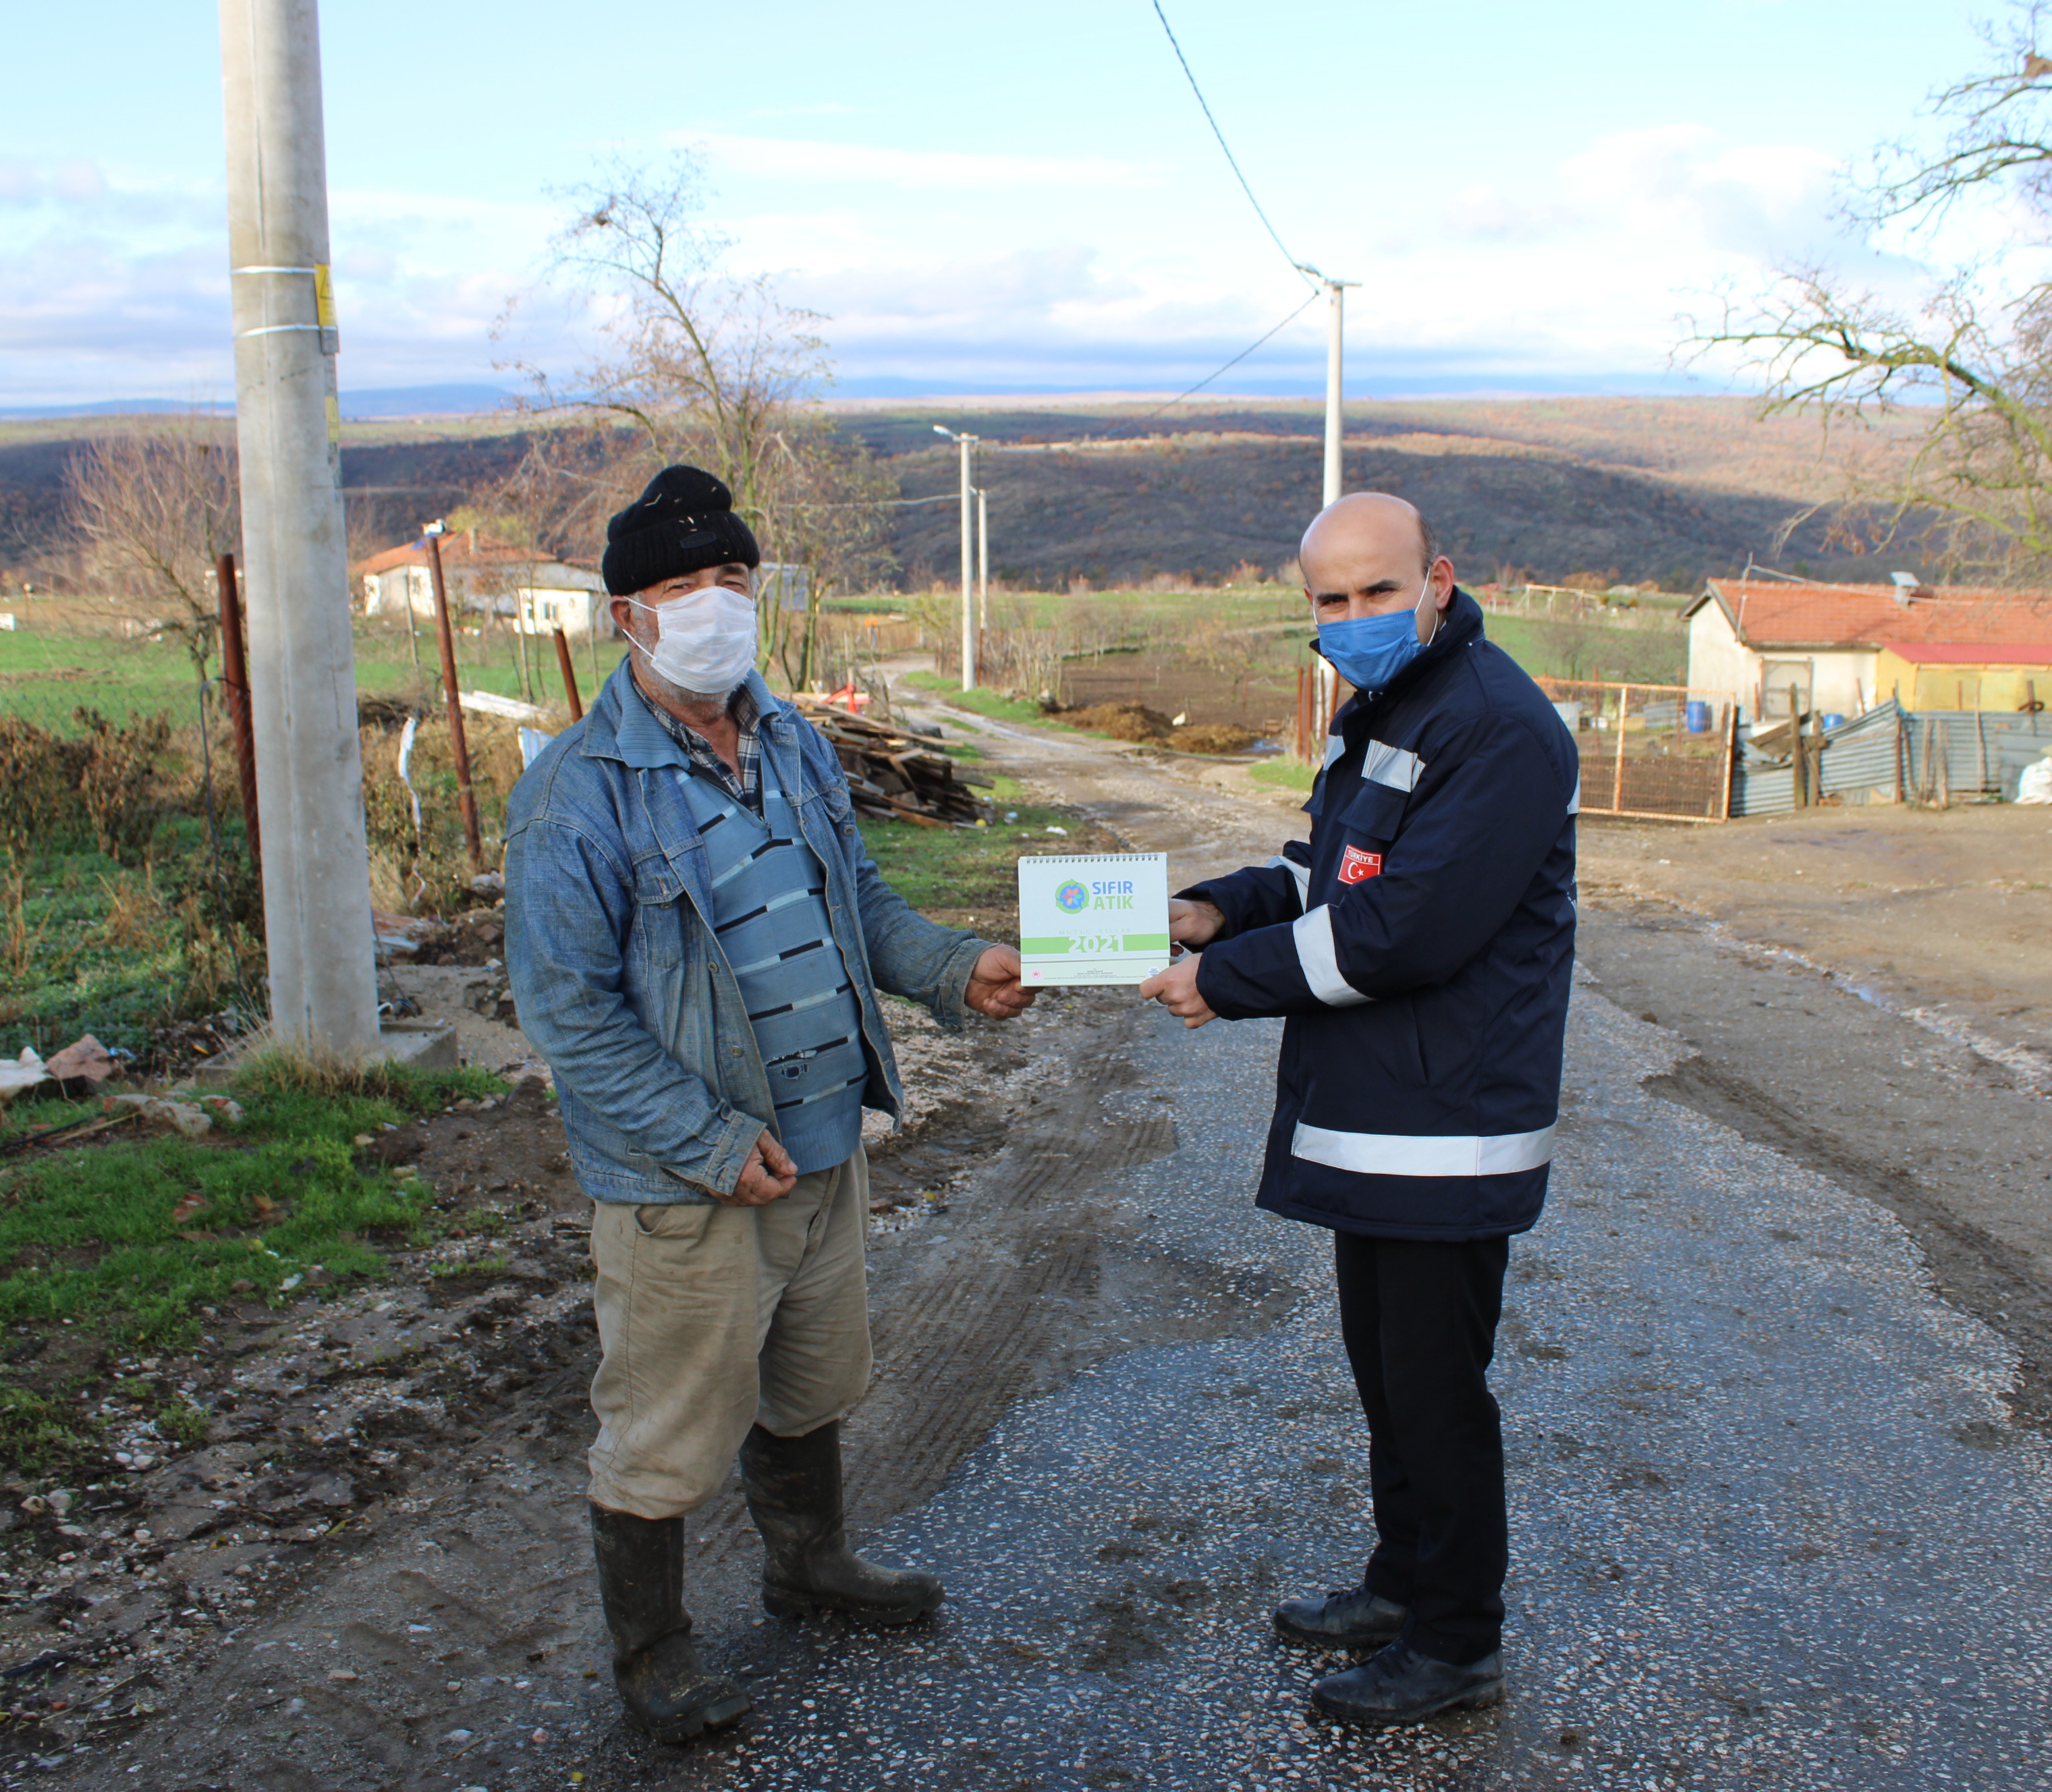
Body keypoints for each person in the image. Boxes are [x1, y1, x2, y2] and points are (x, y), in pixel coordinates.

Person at [504, 466, 1035, 1744]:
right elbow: (567, 1014)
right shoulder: (578, 793)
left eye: (730, 580)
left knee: (811, 1381)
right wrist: (700, 1136)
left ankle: (809, 1569)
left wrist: (959, 968)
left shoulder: (792, 739)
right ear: (625, 615)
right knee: (667, 1428)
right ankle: (655, 1656)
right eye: (679, 587)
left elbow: (858, 907)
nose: (711, 606)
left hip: (822, 1149)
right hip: (689, 1181)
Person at [1139, 493, 1578, 1725]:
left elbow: (1403, 930)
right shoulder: (1388, 706)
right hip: (1378, 1113)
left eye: (1376, 591)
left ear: (1439, 578)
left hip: (1447, 1123)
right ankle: (1403, 1586)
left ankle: (1456, 1646)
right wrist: (1214, 910)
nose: (1352, 618)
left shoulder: (1496, 727)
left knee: (1437, 1394)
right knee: (1389, 1382)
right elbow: (1329, 871)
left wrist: (1223, 984)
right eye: (1329, 601)